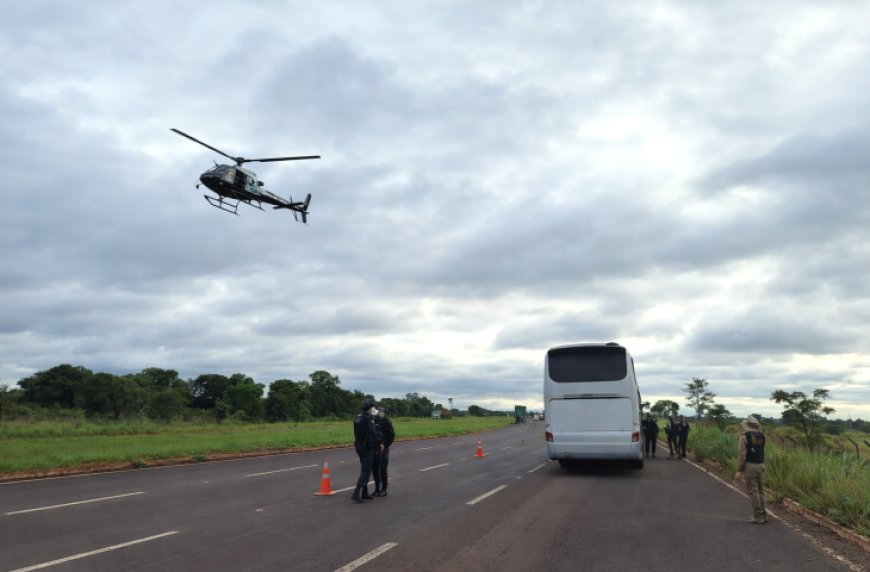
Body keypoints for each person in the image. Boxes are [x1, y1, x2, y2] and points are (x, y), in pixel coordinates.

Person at [735, 416, 767, 523]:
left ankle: (758, 517)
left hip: (750, 466)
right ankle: (764, 514)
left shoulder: (744, 437)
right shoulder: (762, 436)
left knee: (753, 491)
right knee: (761, 491)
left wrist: (739, 470)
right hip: (761, 465)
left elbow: (742, 455)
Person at [351, 399, 378, 503]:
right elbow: (372, 432)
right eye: (373, 408)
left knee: (365, 468)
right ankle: (356, 492)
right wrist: (378, 439)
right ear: (369, 408)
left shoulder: (358, 417)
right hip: (367, 447)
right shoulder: (368, 418)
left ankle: (365, 492)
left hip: (359, 445)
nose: (374, 409)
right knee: (366, 471)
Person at [372, 409, 395, 497]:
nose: (381, 413)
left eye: (382, 411)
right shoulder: (373, 420)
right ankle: (377, 488)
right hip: (375, 447)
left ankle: (384, 489)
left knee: (382, 467)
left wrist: (384, 445)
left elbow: (391, 435)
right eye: (379, 411)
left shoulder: (387, 421)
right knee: (374, 468)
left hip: (383, 448)